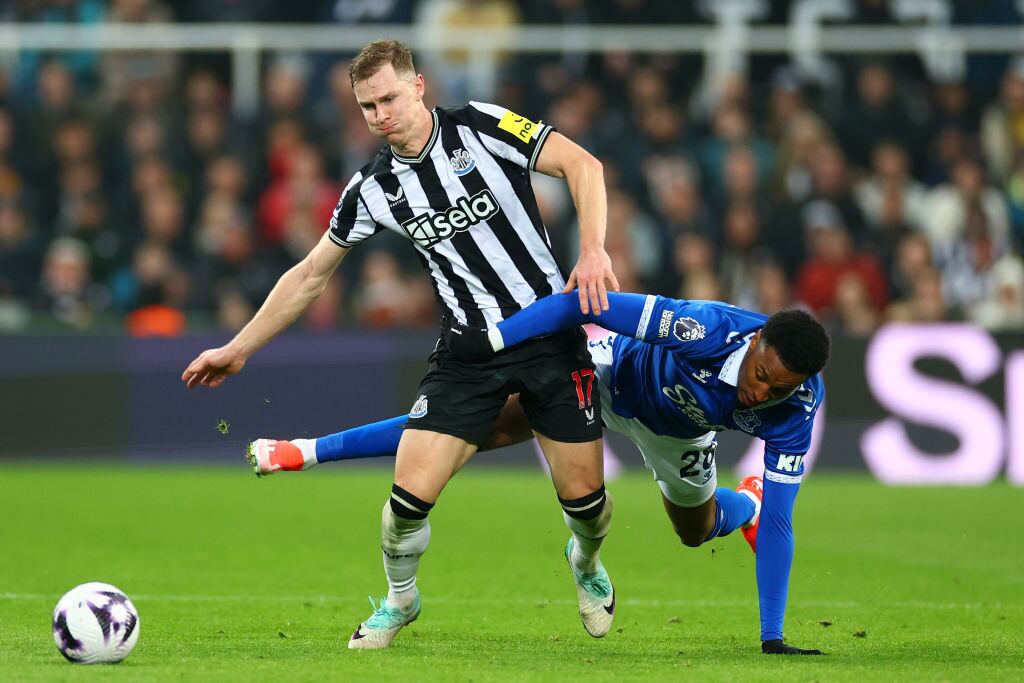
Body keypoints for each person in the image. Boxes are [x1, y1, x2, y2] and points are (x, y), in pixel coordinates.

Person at [181, 39, 621, 650]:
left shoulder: (485, 126)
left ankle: (586, 562)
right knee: (403, 508)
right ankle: (400, 600)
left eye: (389, 97)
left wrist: (594, 249)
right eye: (367, 106)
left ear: (418, 87)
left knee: (590, 510)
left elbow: (585, 167)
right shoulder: (374, 188)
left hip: (550, 339)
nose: (381, 114)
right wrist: (239, 347)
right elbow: (310, 275)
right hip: (468, 355)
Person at [250, 292, 830, 655]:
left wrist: (773, 639)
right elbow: (581, 304)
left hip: (679, 437)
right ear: (755, 340)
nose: (761, 392)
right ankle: (309, 450)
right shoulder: (701, 327)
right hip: (606, 377)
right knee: (462, 428)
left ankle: (740, 506)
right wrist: (500, 339)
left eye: (777, 387)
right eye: (760, 373)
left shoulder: (796, 408)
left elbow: (785, 523)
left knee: (695, 531)